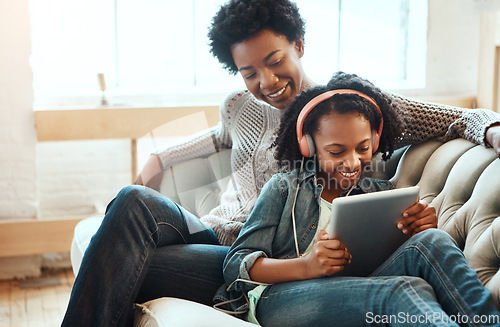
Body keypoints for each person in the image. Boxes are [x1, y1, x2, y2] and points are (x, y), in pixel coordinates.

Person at [62, 0, 500, 326]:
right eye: (249, 71)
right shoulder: (239, 105)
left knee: (117, 261)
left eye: (274, 62)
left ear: (299, 45)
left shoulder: (344, 114)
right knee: (133, 201)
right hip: (225, 237)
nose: (266, 82)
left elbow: (459, 117)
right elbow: (217, 137)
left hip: (267, 263)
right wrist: (160, 156)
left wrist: (493, 129)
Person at [220, 74, 500, 326]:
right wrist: (307, 266)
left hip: (357, 288)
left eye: (363, 148)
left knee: (434, 241)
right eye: (336, 151)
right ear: (309, 145)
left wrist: (420, 228)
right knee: (403, 289)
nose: (352, 162)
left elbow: (391, 254)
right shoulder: (284, 188)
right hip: (279, 298)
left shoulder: (379, 193)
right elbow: (235, 264)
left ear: (375, 141)